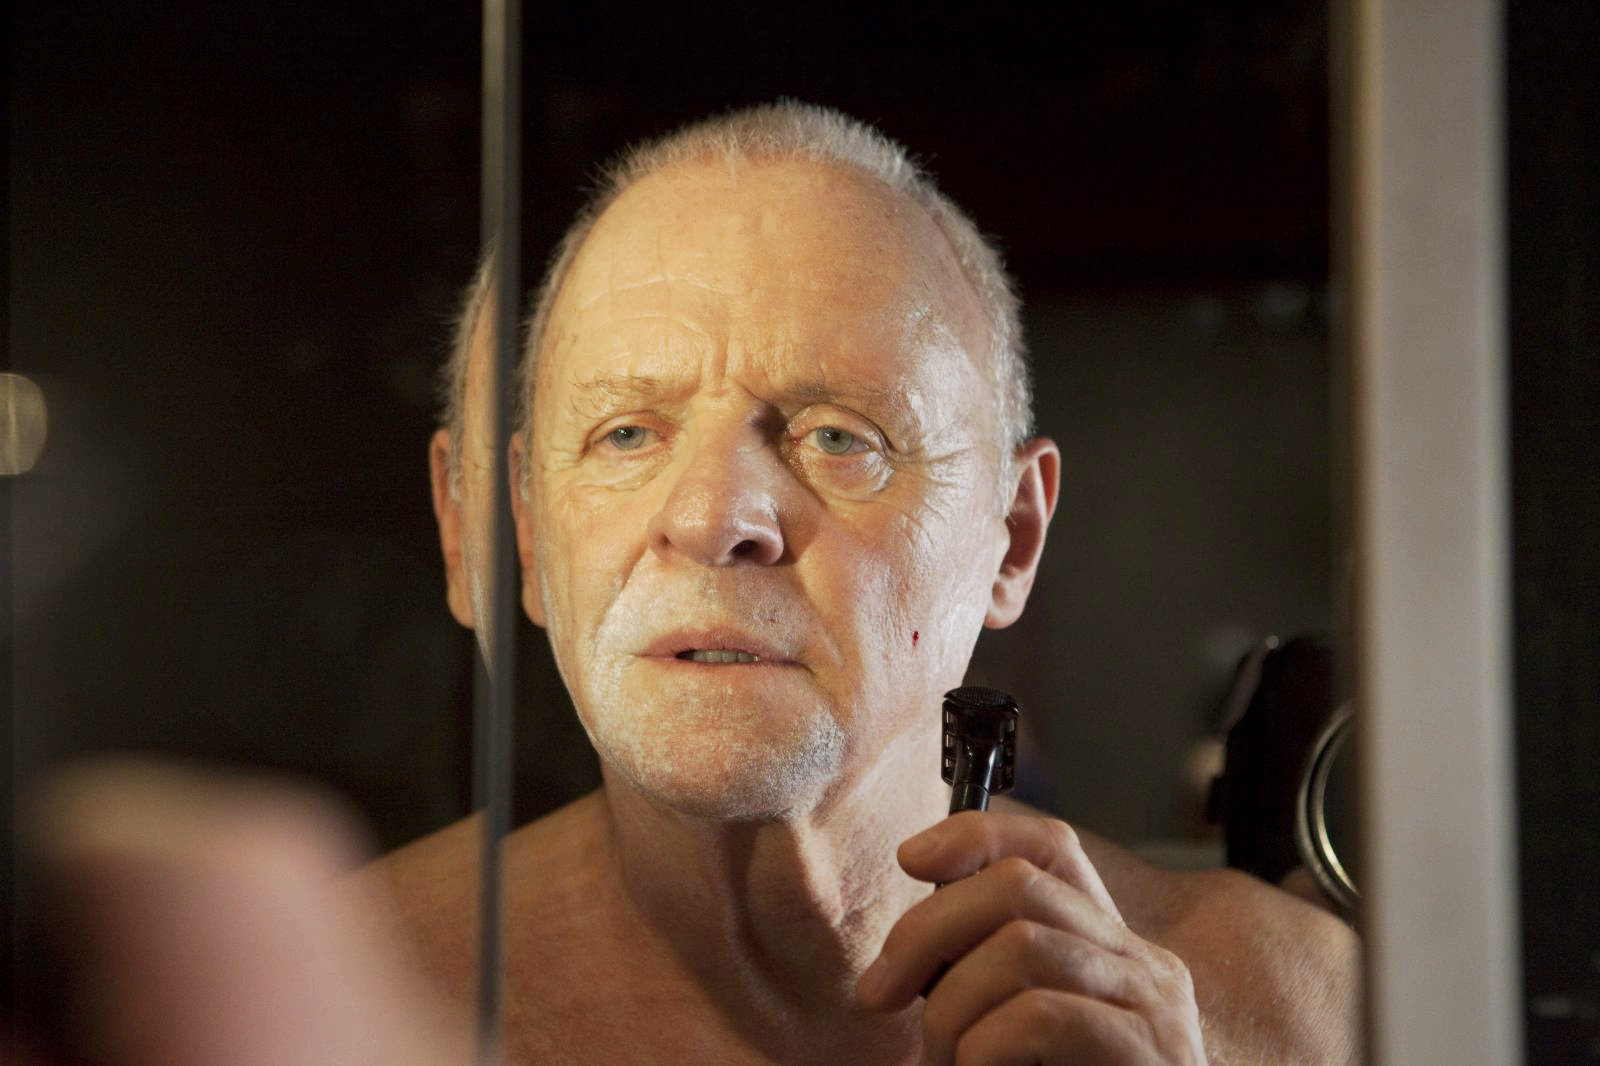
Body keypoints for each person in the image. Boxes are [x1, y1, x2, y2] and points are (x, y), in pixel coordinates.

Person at [375, 101, 1359, 1064]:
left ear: (1013, 538)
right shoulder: (337, 1001)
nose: (713, 519)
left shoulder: (1292, 1010)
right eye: (625, 434)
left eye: (840, 438)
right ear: (516, 532)